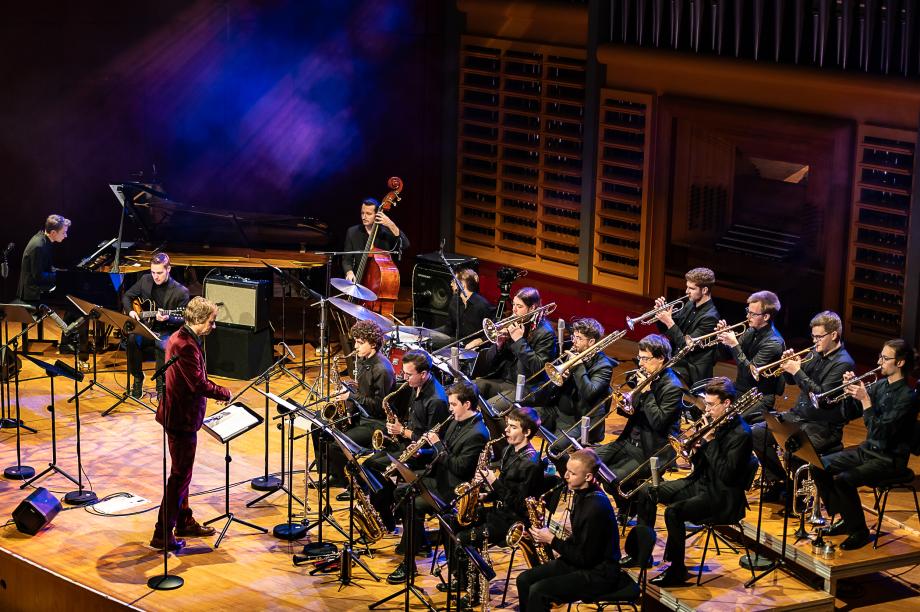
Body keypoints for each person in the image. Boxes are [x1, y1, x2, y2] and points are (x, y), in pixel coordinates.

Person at [633, 377, 753, 587]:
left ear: (727, 403)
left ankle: (677, 570)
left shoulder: (741, 433)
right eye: (706, 404)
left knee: (674, 512)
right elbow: (703, 464)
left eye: (711, 405)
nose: (707, 410)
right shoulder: (715, 423)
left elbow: (726, 474)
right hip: (700, 483)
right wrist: (696, 451)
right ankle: (641, 554)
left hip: (722, 496)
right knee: (646, 491)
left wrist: (709, 441)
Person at [812, 339, 919, 550]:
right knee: (818, 465)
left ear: (900, 363)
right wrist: (850, 392)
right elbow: (850, 413)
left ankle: (859, 531)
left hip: (889, 459)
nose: (879, 362)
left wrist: (865, 400)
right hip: (868, 451)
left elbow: (881, 431)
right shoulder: (880, 385)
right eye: (880, 357)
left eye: (885, 358)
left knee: (844, 480)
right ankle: (846, 517)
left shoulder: (908, 398)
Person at [386, 381, 489, 585]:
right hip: (440, 478)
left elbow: (460, 468)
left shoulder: (478, 433)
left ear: (467, 404)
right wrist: (421, 451)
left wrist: (437, 444)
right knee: (401, 492)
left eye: (453, 404)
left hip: (453, 490)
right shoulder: (456, 420)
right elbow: (444, 451)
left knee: (412, 504)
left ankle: (409, 562)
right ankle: (419, 543)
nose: (449, 409)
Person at [150, 296, 231, 551]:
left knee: (182, 473)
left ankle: (184, 521)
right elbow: (197, 383)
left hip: (177, 414)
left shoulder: (180, 336)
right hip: (181, 418)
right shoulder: (185, 345)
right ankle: (162, 534)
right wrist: (224, 393)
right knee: (179, 476)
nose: (213, 326)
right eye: (211, 321)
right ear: (199, 319)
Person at [442, 405, 544, 601]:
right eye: (508, 425)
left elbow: (518, 504)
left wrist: (493, 481)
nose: (506, 430)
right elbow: (504, 490)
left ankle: (475, 593)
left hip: (513, 520)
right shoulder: (508, 450)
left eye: (513, 427)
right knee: (450, 520)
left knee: (464, 539)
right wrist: (485, 496)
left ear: (527, 432)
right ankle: (461, 579)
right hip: (499, 511)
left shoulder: (532, 464)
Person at [751, 311, 855, 501]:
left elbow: (821, 397)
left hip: (822, 426)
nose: (815, 341)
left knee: (794, 448)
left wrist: (797, 371)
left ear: (834, 335)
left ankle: (799, 497)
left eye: (819, 337)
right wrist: (787, 366)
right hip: (798, 417)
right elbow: (792, 381)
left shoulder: (843, 363)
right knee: (757, 433)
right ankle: (781, 483)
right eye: (813, 336)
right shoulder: (815, 353)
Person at [515, 449, 632, 612]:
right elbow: (579, 542)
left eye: (572, 473)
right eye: (567, 470)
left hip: (599, 574)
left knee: (539, 591)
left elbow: (585, 559)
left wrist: (551, 540)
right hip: (580, 562)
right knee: (524, 579)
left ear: (588, 477)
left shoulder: (595, 508)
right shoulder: (580, 494)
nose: (565, 476)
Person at [364, 349, 450, 533]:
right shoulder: (415, 385)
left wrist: (403, 431)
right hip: (406, 443)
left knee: (372, 466)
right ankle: (388, 509)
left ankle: (387, 516)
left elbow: (432, 440)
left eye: (409, 374)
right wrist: (397, 425)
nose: (404, 377)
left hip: (421, 454)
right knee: (369, 464)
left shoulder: (436, 401)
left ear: (423, 374)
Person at [595, 334, 682, 511]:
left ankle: (629, 507)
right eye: (639, 358)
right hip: (628, 441)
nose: (640, 363)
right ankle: (629, 503)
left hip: (651, 450)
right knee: (590, 462)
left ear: (660, 358)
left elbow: (659, 423)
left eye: (645, 359)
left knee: (613, 480)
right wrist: (627, 401)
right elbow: (630, 411)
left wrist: (647, 393)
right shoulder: (645, 375)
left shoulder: (673, 387)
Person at [473, 286, 558, 445]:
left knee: (489, 408)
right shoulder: (514, 324)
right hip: (507, 381)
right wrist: (499, 344)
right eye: (514, 305)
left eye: (519, 306)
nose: (514, 310)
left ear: (532, 308)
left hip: (530, 387)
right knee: (470, 389)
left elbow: (538, 368)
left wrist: (519, 340)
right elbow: (490, 362)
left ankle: (500, 449)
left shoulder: (546, 333)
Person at [325, 320, 395, 497]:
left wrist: (351, 396)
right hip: (361, 413)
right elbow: (363, 391)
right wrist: (348, 398)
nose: (355, 346)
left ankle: (356, 486)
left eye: (359, 342)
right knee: (320, 428)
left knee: (337, 444)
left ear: (373, 344)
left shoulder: (382, 369)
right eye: (355, 341)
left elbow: (379, 406)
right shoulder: (364, 360)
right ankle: (336, 475)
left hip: (376, 422)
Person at [121, 252, 189, 398]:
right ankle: (138, 377)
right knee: (132, 339)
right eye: (153, 272)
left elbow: (183, 318)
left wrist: (168, 317)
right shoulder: (145, 280)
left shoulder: (181, 291)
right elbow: (127, 296)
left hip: (167, 330)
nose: (155, 276)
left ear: (168, 269)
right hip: (147, 327)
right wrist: (131, 311)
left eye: (159, 273)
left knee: (162, 344)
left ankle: (161, 385)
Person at [540, 318, 614, 450]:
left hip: (583, 421)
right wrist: (559, 381)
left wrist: (578, 367)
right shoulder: (572, 353)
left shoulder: (604, 366)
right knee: (522, 418)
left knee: (554, 448)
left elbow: (589, 394)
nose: (573, 341)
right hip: (559, 412)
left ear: (591, 342)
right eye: (574, 336)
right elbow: (552, 389)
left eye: (579, 338)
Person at [717, 290, 785, 424]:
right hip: (741, 389)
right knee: (711, 404)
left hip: (759, 396)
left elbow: (750, 373)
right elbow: (724, 356)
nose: (748, 316)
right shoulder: (750, 331)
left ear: (766, 317)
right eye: (748, 311)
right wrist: (723, 339)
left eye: (753, 314)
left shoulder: (774, 343)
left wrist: (734, 344)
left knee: (728, 422)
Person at [654, 267, 720, 390]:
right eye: (687, 287)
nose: (686, 291)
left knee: (658, 379)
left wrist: (669, 322)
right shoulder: (690, 304)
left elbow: (687, 346)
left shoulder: (710, 318)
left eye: (691, 288)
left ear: (704, 290)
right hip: (678, 359)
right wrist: (660, 315)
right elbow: (670, 331)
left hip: (691, 368)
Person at [342, 197, 410, 283]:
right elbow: (347, 259)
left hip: (380, 281)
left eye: (368, 214)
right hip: (358, 279)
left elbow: (405, 245)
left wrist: (391, 225)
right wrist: (349, 272)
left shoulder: (386, 232)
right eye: (362, 213)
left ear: (377, 214)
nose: (364, 217)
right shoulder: (352, 232)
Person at [433, 268, 494, 349]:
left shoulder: (482, 305)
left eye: (453, 281)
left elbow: (493, 333)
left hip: (475, 348)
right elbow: (449, 328)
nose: (451, 284)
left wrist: (479, 341)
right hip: (456, 344)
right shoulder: (454, 301)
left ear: (462, 285)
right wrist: (428, 333)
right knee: (429, 344)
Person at [17, 214, 70, 304]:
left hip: (36, 289)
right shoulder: (39, 246)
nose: (66, 235)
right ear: (53, 232)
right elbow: (38, 276)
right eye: (64, 232)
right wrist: (60, 276)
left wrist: (59, 271)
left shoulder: (44, 239)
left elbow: (44, 266)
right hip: (32, 294)